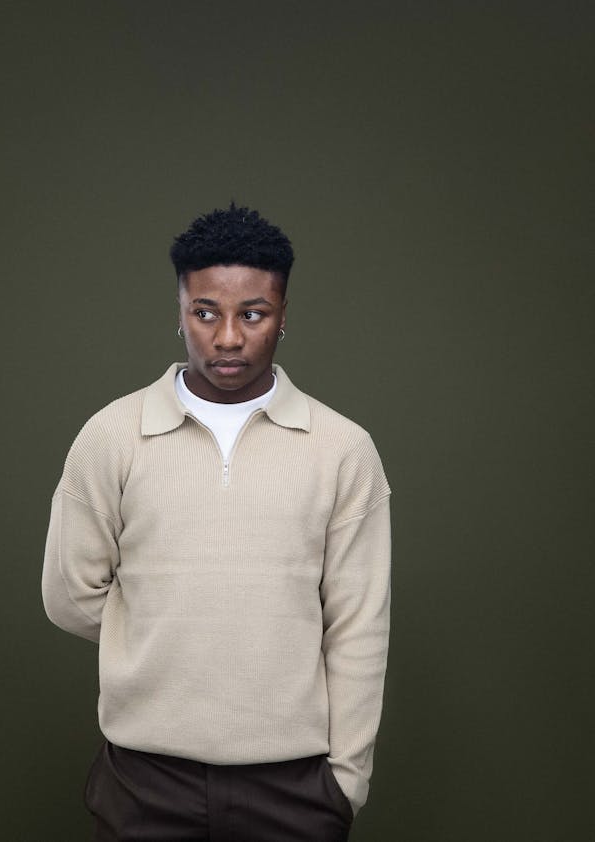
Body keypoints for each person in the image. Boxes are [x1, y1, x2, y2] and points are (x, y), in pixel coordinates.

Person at [41, 203, 392, 841]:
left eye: (252, 314)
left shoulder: (342, 448)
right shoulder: (112, 437)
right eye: (206, 312)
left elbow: (359, 624)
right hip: (143, 783)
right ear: (180, 313)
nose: (227, 337)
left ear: (283, 317)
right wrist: (173, 627)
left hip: (297, 785)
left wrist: (346, 781)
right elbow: (68, 596)